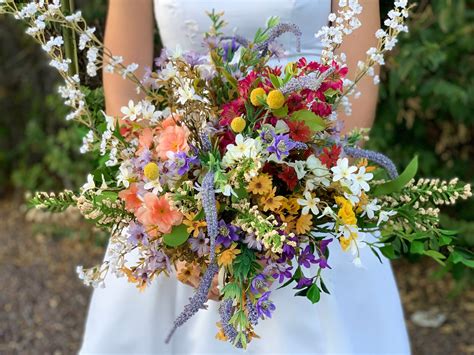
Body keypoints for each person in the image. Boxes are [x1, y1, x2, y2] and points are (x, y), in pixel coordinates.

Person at [79, 1, 411, 354]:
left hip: (307, 192)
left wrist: (293, 199)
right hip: (178, 176)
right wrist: (180, 220)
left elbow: (355, 100)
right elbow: (125, 86)